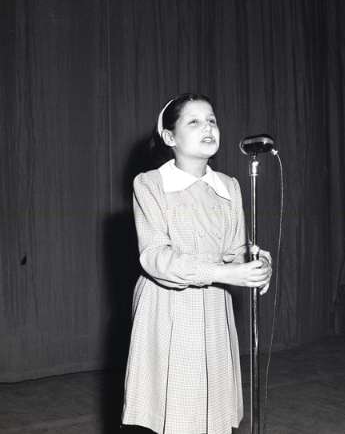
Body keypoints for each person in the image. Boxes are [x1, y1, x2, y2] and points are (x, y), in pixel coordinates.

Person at [121, 93, 272, 434]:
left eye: (212, 120)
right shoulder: (150, 184)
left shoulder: (229, 186)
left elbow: (236, 249)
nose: (208, 127)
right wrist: (225, 272)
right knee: (176, 412)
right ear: (169, 137)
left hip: (214, 308)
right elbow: (156, 256)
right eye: (194, 121)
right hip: (168, 307)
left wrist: (258, 262)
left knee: (211, 415)